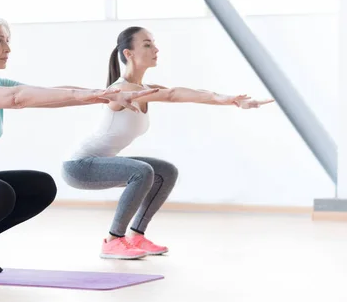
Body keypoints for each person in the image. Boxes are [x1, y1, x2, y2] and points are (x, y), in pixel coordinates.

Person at [0, 17, 157, 279]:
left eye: (7, 41)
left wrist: (104, 94)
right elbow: (18, 98)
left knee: (40, 186)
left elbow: (42, 94)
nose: (7, 48)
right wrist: (94, 95)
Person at [61, 26, 274, 260]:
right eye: (147, 44)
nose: (156, 49)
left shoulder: (143, 90)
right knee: (142, 171)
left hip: (101, 161)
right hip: (79, 166)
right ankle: (113, 240)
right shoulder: (120, 90)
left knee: (166, 172)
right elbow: (163, 95)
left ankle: (136, 236)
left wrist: (229, 100)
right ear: (128, 54)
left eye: (154, 43)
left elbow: (177, 93)